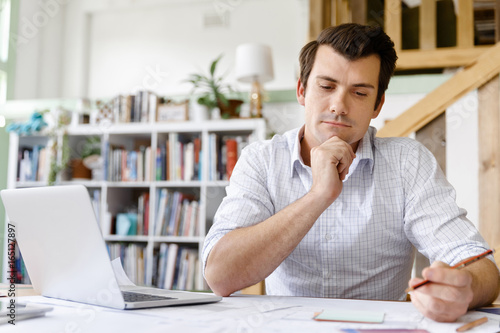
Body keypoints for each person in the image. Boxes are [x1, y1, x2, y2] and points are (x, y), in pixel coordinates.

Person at [202, 23, 500, 322]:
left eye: (359, 92)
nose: (339, 106)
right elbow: (220, 276)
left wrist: (465, 288)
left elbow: (480, 267)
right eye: (327, 86)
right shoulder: (261, 159)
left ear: (377, 104)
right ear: (302, 90)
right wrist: (319, 195)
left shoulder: (407, 162)